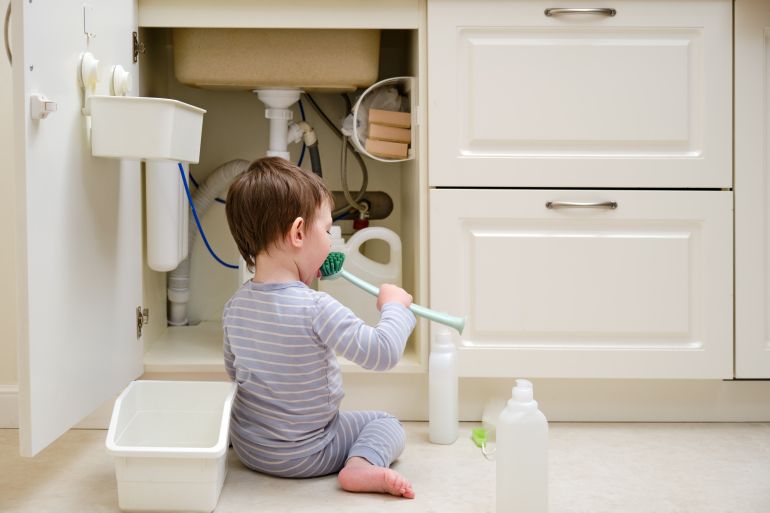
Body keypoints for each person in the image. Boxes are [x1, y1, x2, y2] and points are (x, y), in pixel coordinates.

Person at [222, 156, 416, 499]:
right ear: (298, 233)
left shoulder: (235, 306)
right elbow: (382, 353)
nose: (329, 242)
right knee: (386, 423)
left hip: (251, 448)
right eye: (326, 231)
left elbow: (233, 371)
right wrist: (395, 308)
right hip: (308, 453)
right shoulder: (315, 307)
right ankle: (360, 466)